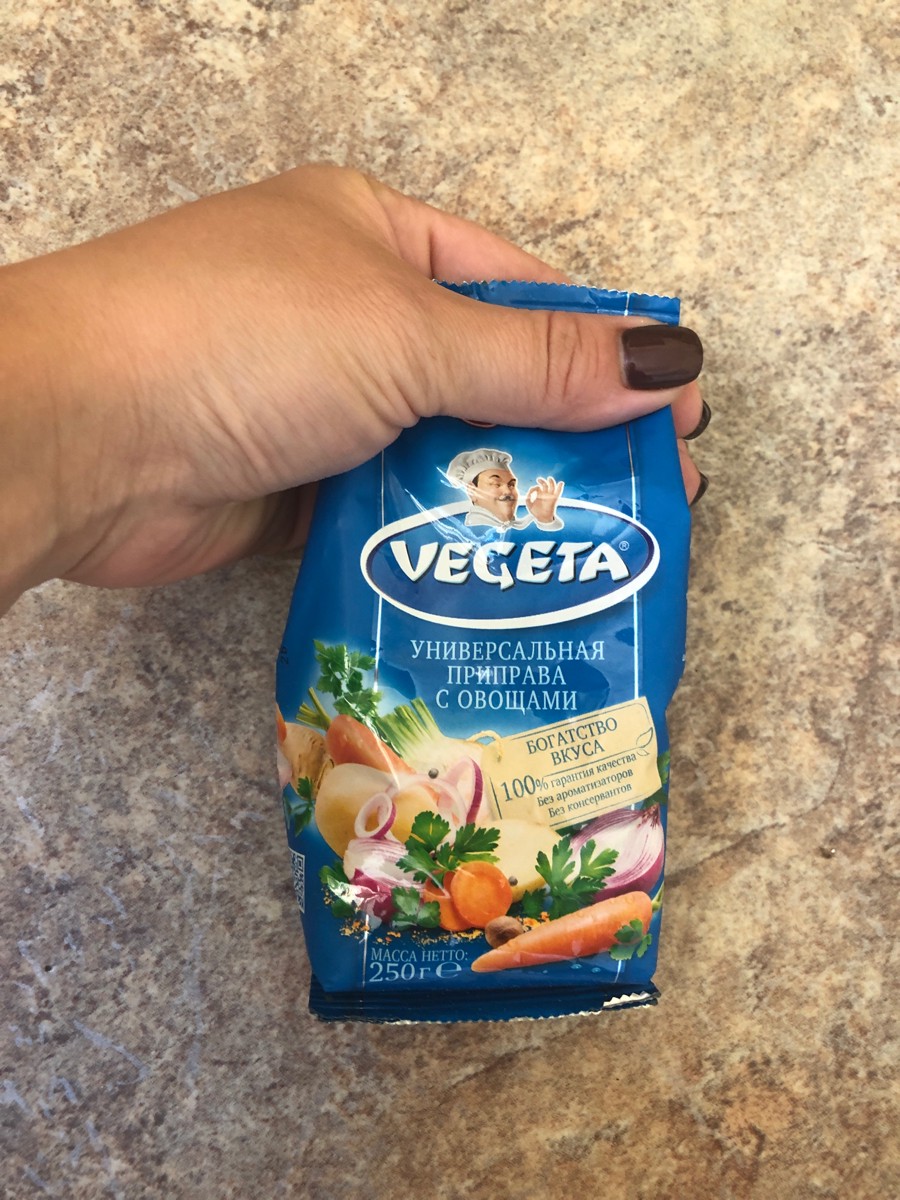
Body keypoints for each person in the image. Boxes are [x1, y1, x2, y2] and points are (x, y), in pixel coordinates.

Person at [0, 164, 707, 618]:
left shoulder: (518, 514)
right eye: (493, 483)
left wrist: (95, 460)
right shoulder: (451, 519)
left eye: (504, 485)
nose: (502, 489)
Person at [446, 447, 565, 530]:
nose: (508, 491)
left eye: (511, 485)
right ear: (472, 491)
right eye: (496, 484)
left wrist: (545, 518)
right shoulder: (464, 531)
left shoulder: (523, 528)